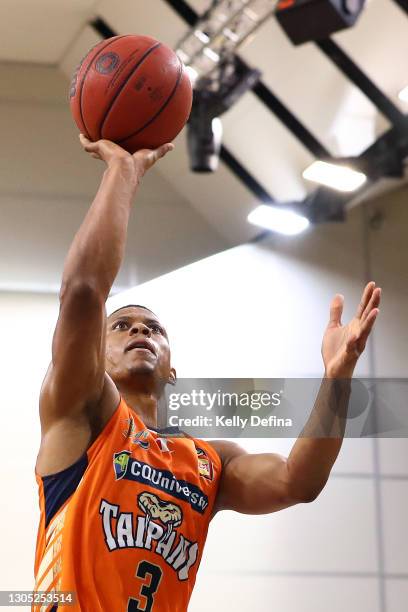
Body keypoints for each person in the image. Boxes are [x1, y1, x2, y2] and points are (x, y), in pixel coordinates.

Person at [32, 135, 381, 612]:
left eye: (154, 327)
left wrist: (336, 378)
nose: (140, 329)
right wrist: (123, 173)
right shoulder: (82, 413)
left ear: (173, 370)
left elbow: (298, 482)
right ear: (96, 353)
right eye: (122, 325)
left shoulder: (208, 461)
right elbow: (82, 290)